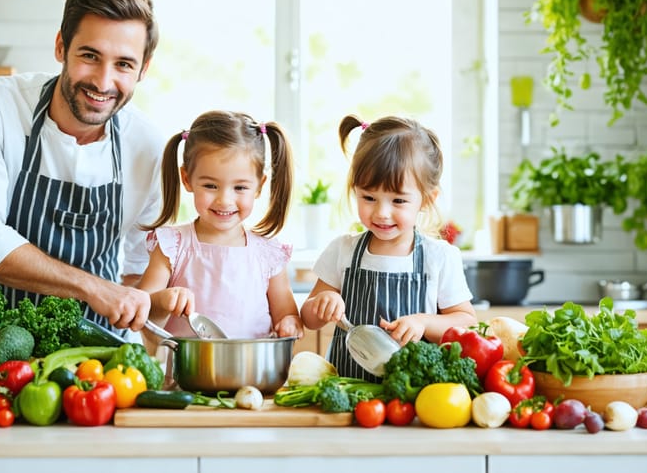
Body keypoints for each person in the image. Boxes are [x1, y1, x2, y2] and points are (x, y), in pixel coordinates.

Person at [0, 0, 163, 337]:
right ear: (61, 47)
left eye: (124, 64)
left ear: (143, 69)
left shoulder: (148, 144)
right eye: (90, 56)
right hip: (1, 352)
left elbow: (140, 270)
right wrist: (91, 288)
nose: (104, 82)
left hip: (105, 361)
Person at [300, 114, 477, 381]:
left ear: (427, 200)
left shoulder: (438, 257)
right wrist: (322, 304)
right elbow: (309, 318)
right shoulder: (343, 250)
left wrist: (423, 322)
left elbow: (467, 322)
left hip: (412, 401)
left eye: (398, 201)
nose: (382, 213)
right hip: (348, 393)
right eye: (369, 197)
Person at [137, 110, 304, 340]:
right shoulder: (172, 247)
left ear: (259, 186)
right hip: (185, 375)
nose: (225, 200)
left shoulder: (268, 254)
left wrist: (290, 325)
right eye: (210, 186)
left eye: (240, 188)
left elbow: (287, 315)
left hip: (253, 375)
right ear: (187, 179)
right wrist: (163, 301)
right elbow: (141, 313)